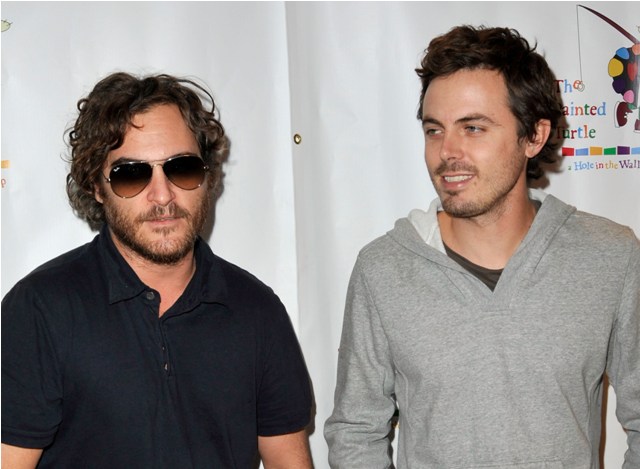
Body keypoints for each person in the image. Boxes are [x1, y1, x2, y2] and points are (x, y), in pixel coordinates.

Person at [325, 25, 640, 467]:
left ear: (534, 136)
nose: (447, 151)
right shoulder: (384, 269)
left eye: (473, 128)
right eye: (434, 130)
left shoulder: (610, 256)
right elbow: (356, 432)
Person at [2, 72, 313, 468]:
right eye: (131, 174)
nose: (162, 195)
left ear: (207, 176)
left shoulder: (257, 310)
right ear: (96, 187)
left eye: (181, 168)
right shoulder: (40, 309)